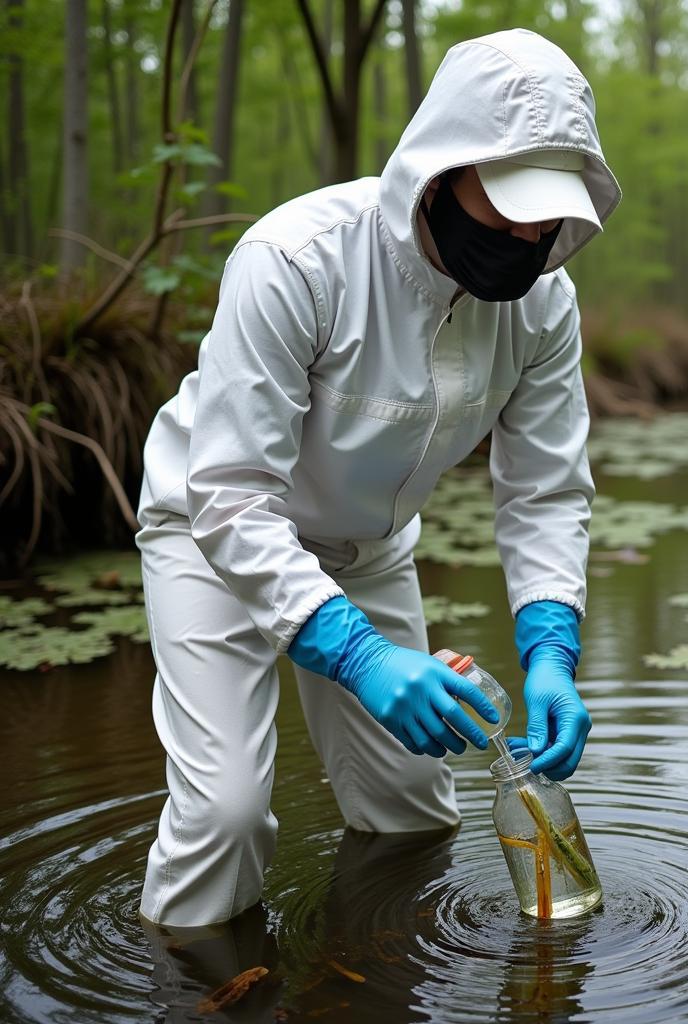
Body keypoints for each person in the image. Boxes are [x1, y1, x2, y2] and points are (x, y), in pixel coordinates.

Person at [134, 26, 621, 928]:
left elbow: (545, 486)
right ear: (441, 170)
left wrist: (552, 653)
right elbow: (232, 491)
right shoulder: (297, 260)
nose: (525, 232)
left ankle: (371, 971)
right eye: (506, 201)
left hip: (367, 551)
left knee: (411, 815)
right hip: (212, 537)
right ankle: (189, 980)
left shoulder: (544, 305)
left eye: (547, 210)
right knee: (226, 815)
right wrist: (358, 656)